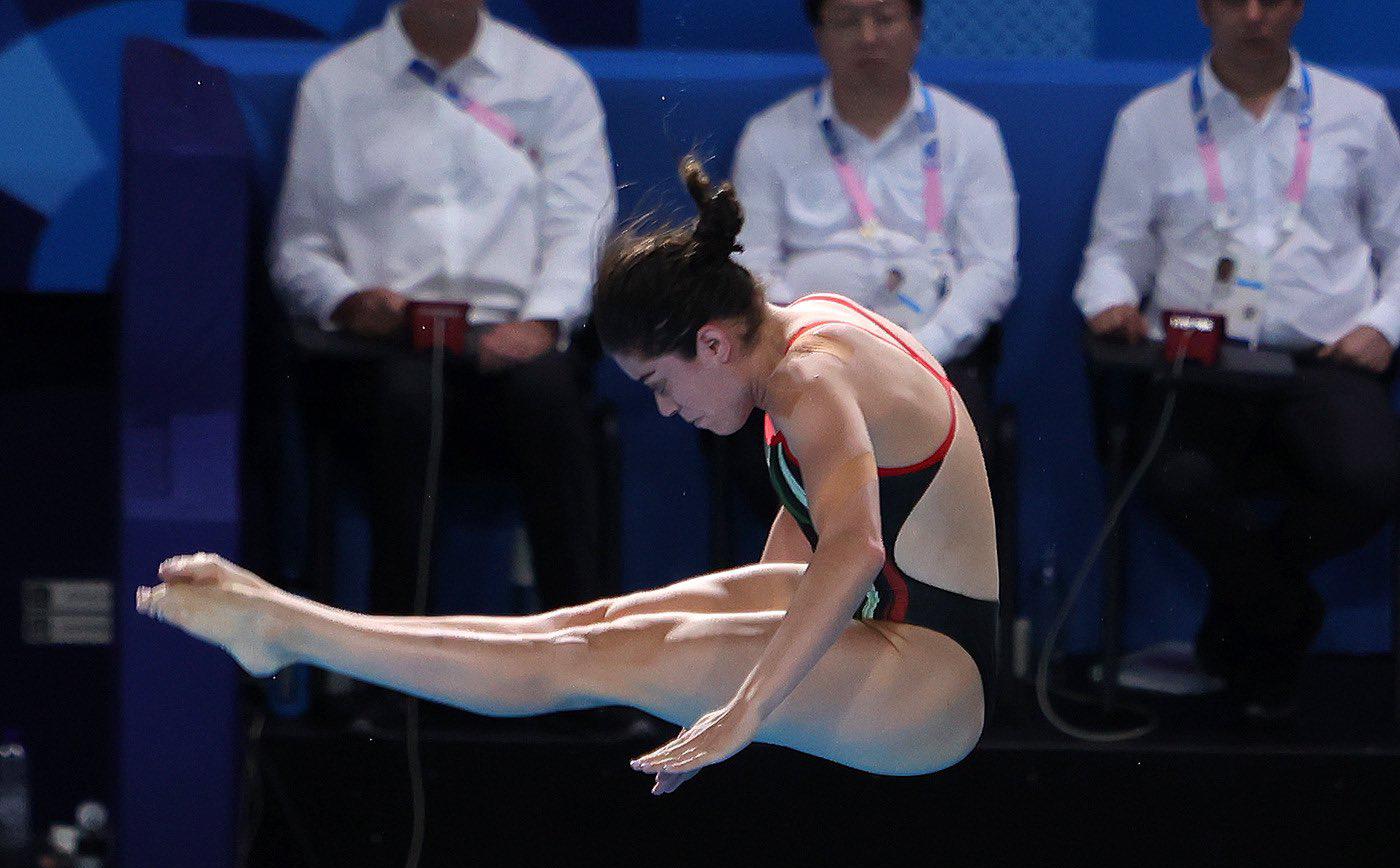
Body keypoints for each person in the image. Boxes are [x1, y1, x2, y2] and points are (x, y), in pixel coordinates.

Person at [137, 159, 998, 794]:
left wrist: (747, 708)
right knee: (588, 626)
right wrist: (742, 648)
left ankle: (291, 627)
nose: (666, 410)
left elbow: (851, 549)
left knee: (587, 657)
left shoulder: (809, 374)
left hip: (932, 678)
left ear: (711, 341)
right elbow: (815, 530)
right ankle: (285, 627)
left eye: (660, 385)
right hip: (897, 628)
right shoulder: (802, 328)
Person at [1074, 0, 1400, 720]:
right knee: (1175, 479)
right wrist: (1111, 299)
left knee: (1374, 480)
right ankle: (1284, 618)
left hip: (1323, 357)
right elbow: (1114, 249)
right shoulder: (1151, 121)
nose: (1255, 16)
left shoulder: (1359, 114)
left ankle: (1245, 621)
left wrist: (1386, 323)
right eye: (1235, 0)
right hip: (1199, 359)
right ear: (1204, 9)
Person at [269, 0, 616, 616]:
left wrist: (542, 320)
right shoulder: (337, 85)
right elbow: (299, 247)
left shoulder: (552, 81)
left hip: (515, 335)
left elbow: (582, 226)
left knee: (550, 394)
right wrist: (347, 300)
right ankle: (391, 666)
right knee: (405, 396)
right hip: (387, 343)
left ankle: (584, 662)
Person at [731, 0, 1018, 452]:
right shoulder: (769, 137)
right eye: (847, 21)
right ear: (820, 35)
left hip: (933, 359)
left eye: (884, 18)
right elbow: (753, 264)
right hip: (807, 362)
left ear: (917, 29)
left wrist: (921, 351)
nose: (868, 36)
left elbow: (992, 269)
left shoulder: (971, 134)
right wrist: (813, 350)